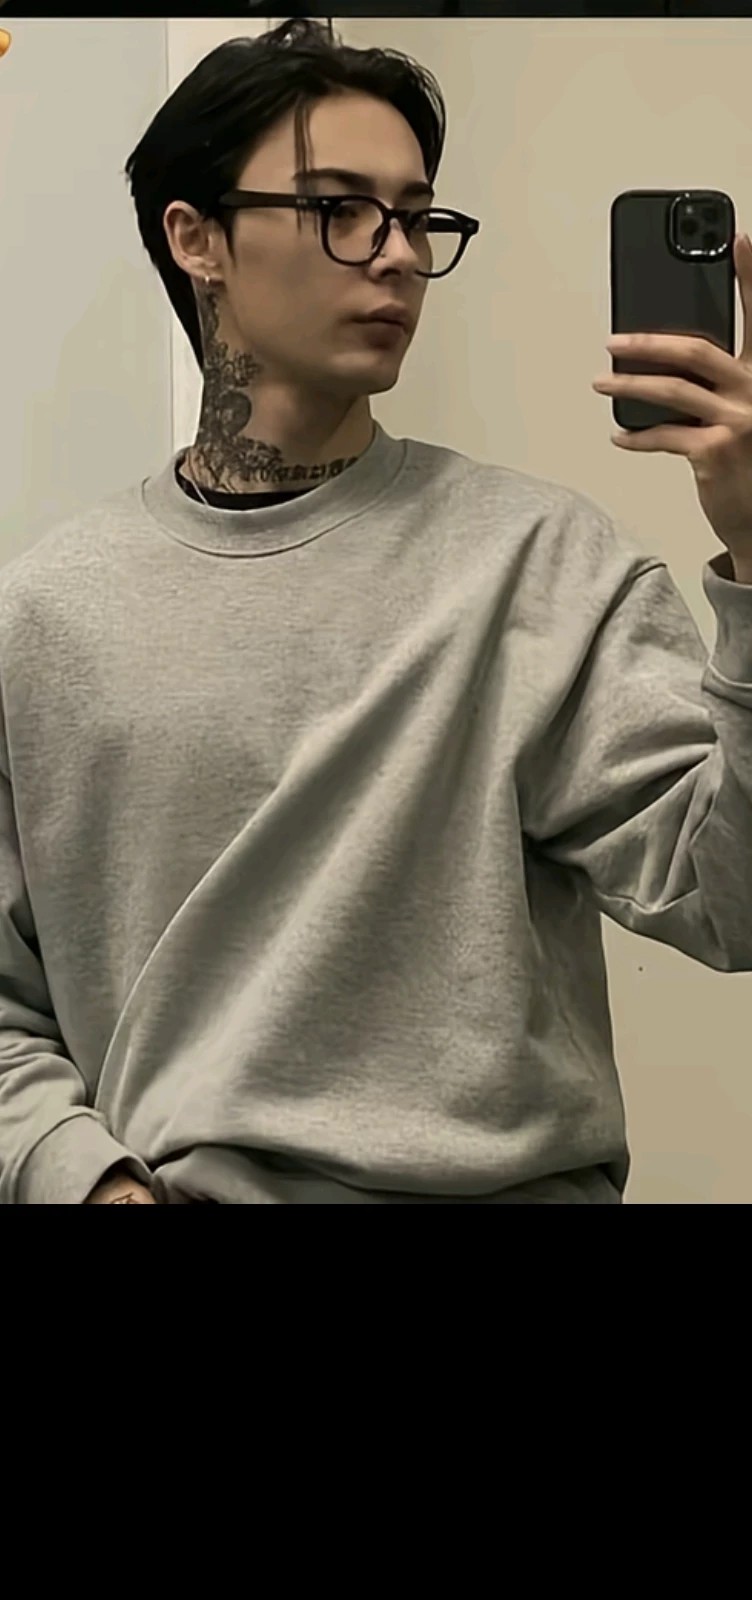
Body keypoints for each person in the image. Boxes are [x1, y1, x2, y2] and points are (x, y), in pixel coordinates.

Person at [1, 18, 751, 1206]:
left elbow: (730, 901)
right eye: (340, 209)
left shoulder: (540, 562)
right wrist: (87, 1182)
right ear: (196, 238)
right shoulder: (48, 615)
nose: (396, 254)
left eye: (415, 216)